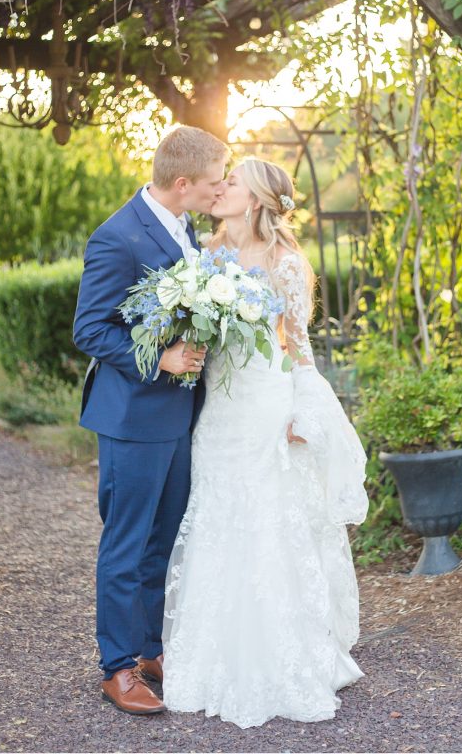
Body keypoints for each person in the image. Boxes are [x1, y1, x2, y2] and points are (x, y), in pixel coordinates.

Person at [162, 157, 369, 728]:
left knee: (268, 522)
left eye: (233, 183)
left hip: (264, 409)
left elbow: (299, 350)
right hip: (218, 415)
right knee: (216, 519)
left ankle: (281, 654)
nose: (222, 187)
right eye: (223, 181)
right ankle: (211, 655)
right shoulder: (202, 257)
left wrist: (304, 411)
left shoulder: (285, 264)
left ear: (255, 201)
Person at [73, 125, 230, 715]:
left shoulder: (184, 226)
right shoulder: (116, 237)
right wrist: (160, 358)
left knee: (162, 541)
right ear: (184, 183)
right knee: (126, 542)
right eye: (215, 183)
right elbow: (89, 329)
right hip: (133, 416)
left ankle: (147, 647)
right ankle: (117, 668)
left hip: (180, 415)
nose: (221, 192)